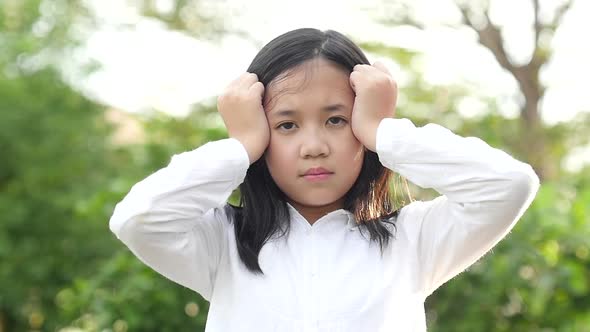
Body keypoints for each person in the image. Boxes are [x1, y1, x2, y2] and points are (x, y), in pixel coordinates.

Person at [109, 28, 540, 332]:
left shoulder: (413, 240)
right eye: (287, 125)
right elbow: (137, 220)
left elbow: (508, 185)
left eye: (337, 119)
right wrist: (240, 146)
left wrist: (382, 130)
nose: (314, 145)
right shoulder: (222, 242)